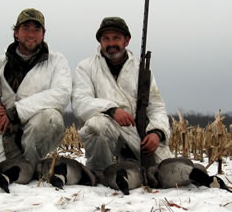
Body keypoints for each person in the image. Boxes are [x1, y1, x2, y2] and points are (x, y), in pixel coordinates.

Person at [0, 8, 72, 166]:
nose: (31, 35)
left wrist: (17, 112)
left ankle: (31, 165)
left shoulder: (57, 61)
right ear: (16, 33)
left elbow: (61, 94)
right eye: (26, 29)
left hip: (34, 130)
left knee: (51, 117)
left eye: (36, 29)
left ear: (43, 34)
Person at [71, 17, 172, 172]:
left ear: (127, 40)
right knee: (97, 126)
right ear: (100, 41)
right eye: (106, 39)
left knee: (168, 169)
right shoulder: (86, 67)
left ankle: (131, 161)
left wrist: (156, 133)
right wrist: (111, 110)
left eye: (116, 38)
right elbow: (80, 102)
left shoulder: (141, 70)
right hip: (106, 128)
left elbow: (156, 107)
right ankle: (99, 172)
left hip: (136, 133)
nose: (111, 44)